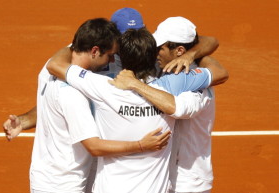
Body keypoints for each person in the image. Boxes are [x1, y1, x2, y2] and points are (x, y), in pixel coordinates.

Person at [46, 23, 228, 192]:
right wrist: (192, 54)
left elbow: (55, 64)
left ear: (120, 59)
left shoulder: (102, 86)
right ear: (153, 57)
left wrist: (77, 44)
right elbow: (219, 71)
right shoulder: (175, 84)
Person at [29, 18, 173, 193]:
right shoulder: (75, 94)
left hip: (46, 176)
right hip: (64, 184)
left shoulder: (47, 69)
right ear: (95, 50)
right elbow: (94, 146)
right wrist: (141, 145)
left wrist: (23, 120)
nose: (113, 60)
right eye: (110, 55)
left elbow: (48, 98)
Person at [110, 16, 229, 193]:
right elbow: (209, 40)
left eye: (160, 48)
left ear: (179, 50)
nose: (154, 52)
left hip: (187, 181)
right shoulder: (171, 67)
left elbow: (177, 108)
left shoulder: (196, 84)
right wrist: (192, 53)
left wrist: (135, 84)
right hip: (167, 175)